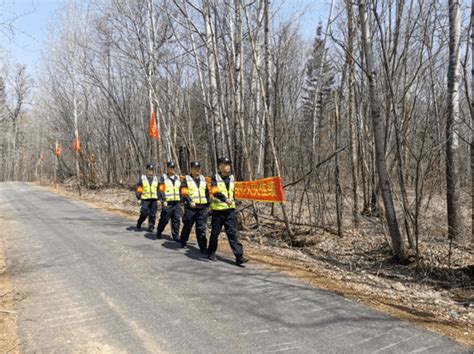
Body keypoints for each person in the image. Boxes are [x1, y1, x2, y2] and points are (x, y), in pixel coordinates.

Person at [208, 157, 248, 266]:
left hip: (230, 211)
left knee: (232, 233)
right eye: (225, 164)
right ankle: (211, 252)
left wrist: (235, 199)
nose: (228, 166)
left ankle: (239, 256)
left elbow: (234, 192)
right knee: (215, 233)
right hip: (218, 212)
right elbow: (215, 192)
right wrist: (225, 199)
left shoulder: (232, 178)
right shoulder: (215, 178)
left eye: (228, 164)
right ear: (219, 167)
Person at [179, 161, 210, 252]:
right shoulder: (186, 179)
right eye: (195, 168)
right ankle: (183, 241)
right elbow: (184, 193)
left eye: (198, 168)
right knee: (188, 226)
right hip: (191, 208)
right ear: (191, 169)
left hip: (202, 208)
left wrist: (208, 204)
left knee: (201, 228)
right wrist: (189, 201)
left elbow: (207, 193)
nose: (197, 170)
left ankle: (203, 247)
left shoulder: (203, 179)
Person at [156, 161, 181, 241]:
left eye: (173, 168)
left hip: (176, 202)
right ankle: (159, 231)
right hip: (167, 203)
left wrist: (182, 199)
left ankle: (175, 235)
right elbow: (161, 190)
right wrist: (163, 200)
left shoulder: (178, 178)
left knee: (176, 219)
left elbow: (181, 190)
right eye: (170, 167)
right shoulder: (163, 178)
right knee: (164, 219)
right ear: (167, 168)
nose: (172, 169)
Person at [135, 164, 159, 232]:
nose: (151, 171)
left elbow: (159, 189)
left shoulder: (156, 178)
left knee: (153, 214)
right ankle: (139, 222)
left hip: (154, 199)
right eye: (149, 170)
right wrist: (139, 198)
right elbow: (139, 189)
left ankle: (151, 226)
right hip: (145, 199)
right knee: (144, 212)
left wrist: (160, 199)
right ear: (146, 170)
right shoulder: (143, 178)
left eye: (152, 170)